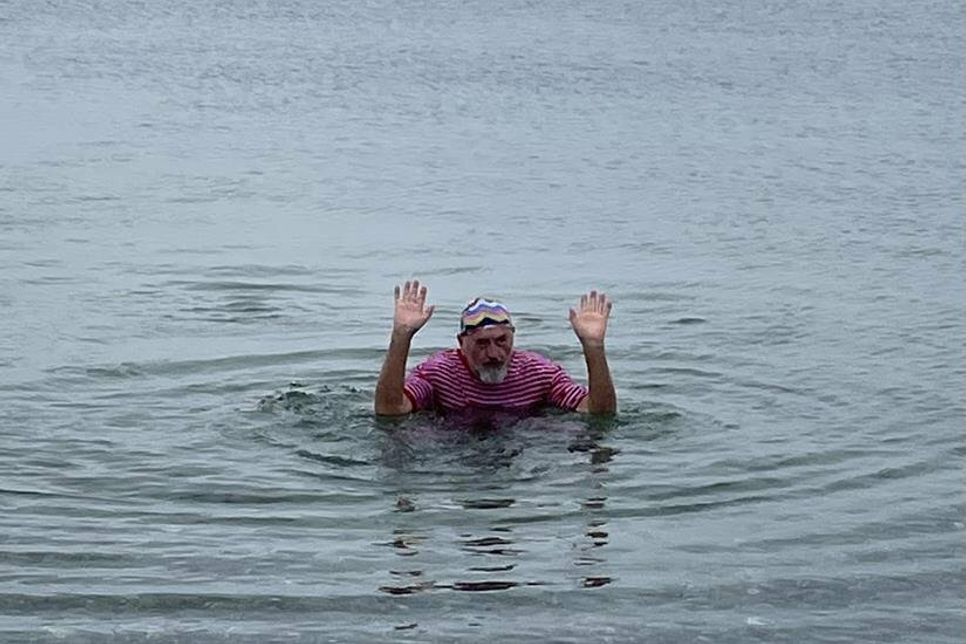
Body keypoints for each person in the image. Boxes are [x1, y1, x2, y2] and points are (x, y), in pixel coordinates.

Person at [374, 280, 617, 416]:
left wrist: (593, 346)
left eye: (502, 341)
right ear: (462, 343)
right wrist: (401, 336)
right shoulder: (438, 373)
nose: (494, 354)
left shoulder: (540, 374)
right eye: (482, 343)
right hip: (455, 447)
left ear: (513, 336)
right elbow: (390, 409)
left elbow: (599, 411)